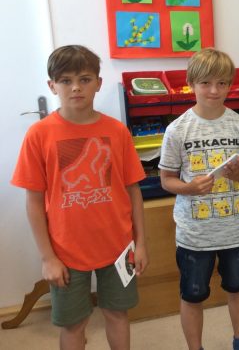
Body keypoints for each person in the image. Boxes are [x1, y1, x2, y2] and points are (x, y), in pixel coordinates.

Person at [11, 45, 148, 349]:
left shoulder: (117, 131)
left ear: (98, 83)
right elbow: (34, 202)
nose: (76, 87)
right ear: (52, 86)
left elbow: (133, 191)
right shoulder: (39, 135)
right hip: (65, 251)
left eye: (85, 79)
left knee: (118, 314)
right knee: (73, 324)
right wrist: (48, 258)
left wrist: (140, 244)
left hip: (118, 246)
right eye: (66, 80)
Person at [159, 48, 239, 350]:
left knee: (238, 287)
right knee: (192, 294)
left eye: (221, 83)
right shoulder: (177, 129)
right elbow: (166, 179)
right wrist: (189, 188)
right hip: (195, 234)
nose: (214, 91)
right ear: (191, 84)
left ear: (230, 85)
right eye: (205, 83)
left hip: (236, 230)